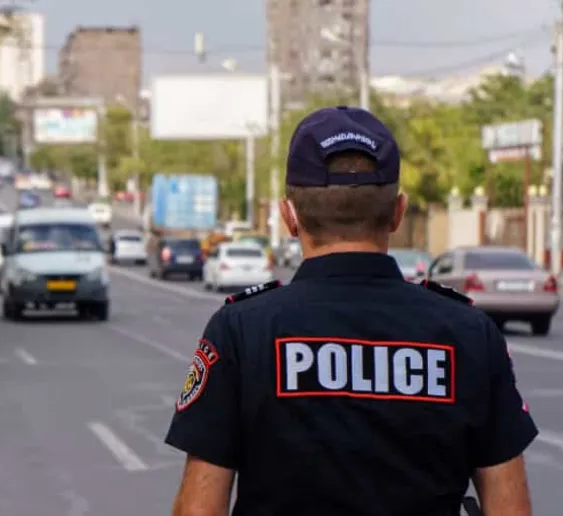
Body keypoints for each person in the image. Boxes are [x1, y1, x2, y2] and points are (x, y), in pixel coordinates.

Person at [164, 106, 537, 516]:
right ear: (397, 213)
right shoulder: (469, 333)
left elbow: (199, 509)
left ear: (289, 216)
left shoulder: (240, 330)